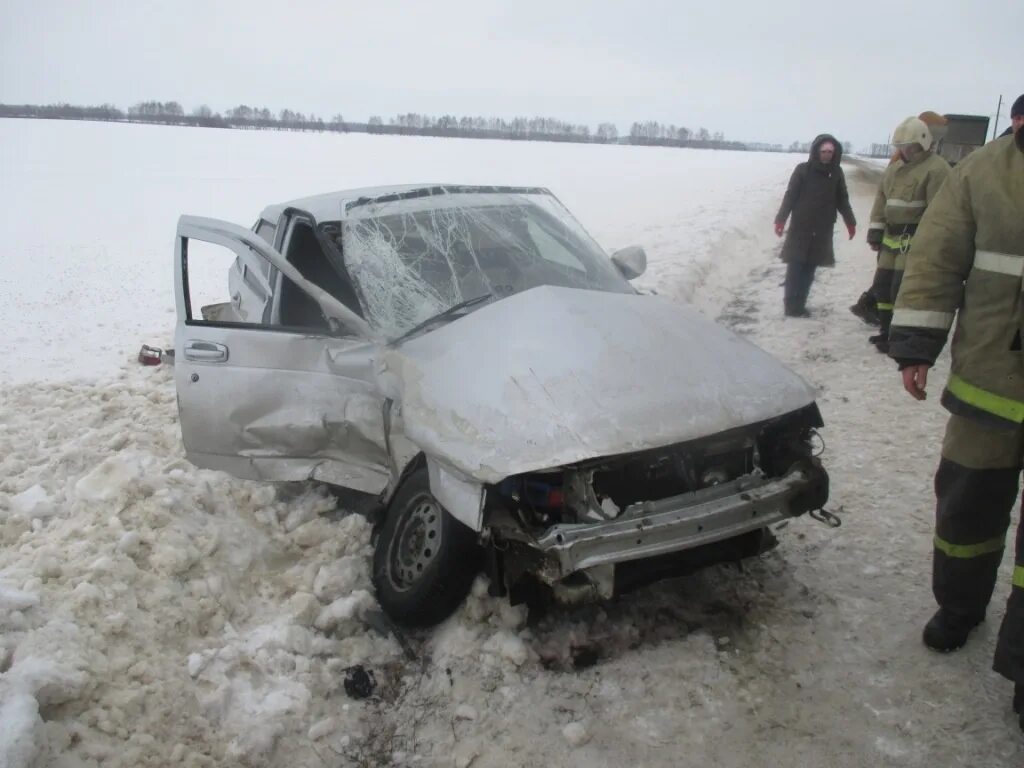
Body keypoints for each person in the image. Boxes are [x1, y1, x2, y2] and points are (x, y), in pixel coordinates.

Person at [888, 124, 1024, 727]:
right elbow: (937, 257)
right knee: (967, 510)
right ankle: (961, 606)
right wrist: (917, 345)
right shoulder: (982, 173)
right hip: (990, 383)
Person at [850, 111, 950, 328]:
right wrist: (876, 230)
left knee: (902, 290)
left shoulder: (937, 170)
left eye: (910, 147)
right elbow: (881, 200)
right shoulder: (895, 169)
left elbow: (939, 212)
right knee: (883, 287)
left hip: (914, 242)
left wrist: (929, 242)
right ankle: (885, 329)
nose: (905, 152)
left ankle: (897, 334)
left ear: (922, 143)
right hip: (890, 239)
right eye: (901, 147)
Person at [773, 134, 856, 317]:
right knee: (795, 267)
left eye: (830, 152)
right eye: (823, 151)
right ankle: (791, 306)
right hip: (800, 227)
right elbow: (790, 195)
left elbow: (842, 199)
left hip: (822, 229)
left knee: (810, 268)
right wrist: (781, 219)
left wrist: (850, 222)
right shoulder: (802, 170)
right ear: (816, 152)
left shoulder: (836, 173)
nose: (827, 155)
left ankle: (800, 304)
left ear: (835, 153)